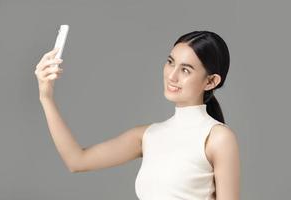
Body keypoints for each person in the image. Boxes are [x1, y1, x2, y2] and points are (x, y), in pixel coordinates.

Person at [34, 30, 240, 200]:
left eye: (185, 70)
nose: (172, 75)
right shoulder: (147, 136)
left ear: (211, 81)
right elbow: (76, 160)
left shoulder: (218, 138)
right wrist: (46, 97)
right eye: (170, 62)